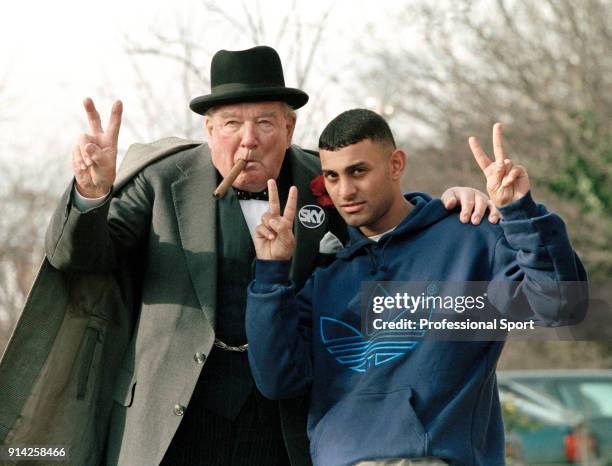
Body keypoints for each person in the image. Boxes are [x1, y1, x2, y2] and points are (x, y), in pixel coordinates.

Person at [0, 48, 495, 466]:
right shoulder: (160, 180)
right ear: (210, 129)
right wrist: (91, 194)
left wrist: (451, 203)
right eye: (232, 123)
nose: (248, 139)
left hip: (286, 418)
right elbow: (80, 258)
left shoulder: (324, 181)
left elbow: (387, 226)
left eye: (264, 122)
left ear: (289, 124)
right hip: (170, 414)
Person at [245, 109, 588, 466]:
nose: (345, 190)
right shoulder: (326, 280)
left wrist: (520, 210)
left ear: (396, 165)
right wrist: (270, 272)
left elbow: (561, 306)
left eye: (358, 171)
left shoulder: (470, 242)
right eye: (332, 176)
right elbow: (278, 382)